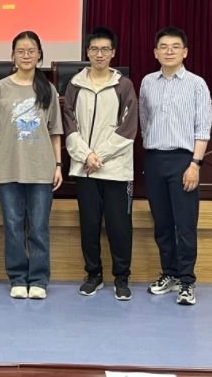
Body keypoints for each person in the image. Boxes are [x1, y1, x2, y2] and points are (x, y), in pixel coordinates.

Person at [62, 27, 138, 301]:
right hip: (86, 170)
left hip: (116, 171)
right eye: (94, 49)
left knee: (120, 227)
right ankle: (93, 275)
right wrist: (86, 156)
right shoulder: (75, 84)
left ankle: (122, 277)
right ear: (87, 52)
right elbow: (69, 124)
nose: (99, 54)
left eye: (105, 49)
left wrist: (99, 156)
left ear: (113, 53)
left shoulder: (124, 86)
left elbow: (128, 129)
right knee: (89, 226)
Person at [0, 31, 63, 300]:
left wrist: (58, 165)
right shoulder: (1, 88)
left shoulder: (47, 88)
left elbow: (55, 132)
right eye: (21, 51)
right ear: (13, 55)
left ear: (39, 54)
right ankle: (18, 278)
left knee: (39, 228)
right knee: (13, 226)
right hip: (7, 167)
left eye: (31, 51)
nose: (26, 55)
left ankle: (39, 279)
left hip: (41, 169)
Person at [140, 26, 212, 306]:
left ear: (185, 52)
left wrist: (195, 164)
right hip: (154, 159)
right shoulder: (147, 82)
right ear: (155, 52)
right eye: (163, 47)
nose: (169, 51)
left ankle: (187, 281)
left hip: (184, 160)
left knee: (185, 225)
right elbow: (144, 121)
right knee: (162, 224)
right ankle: (169, 274)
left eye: (175, 47)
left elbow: (203, 128)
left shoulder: (196, 84)